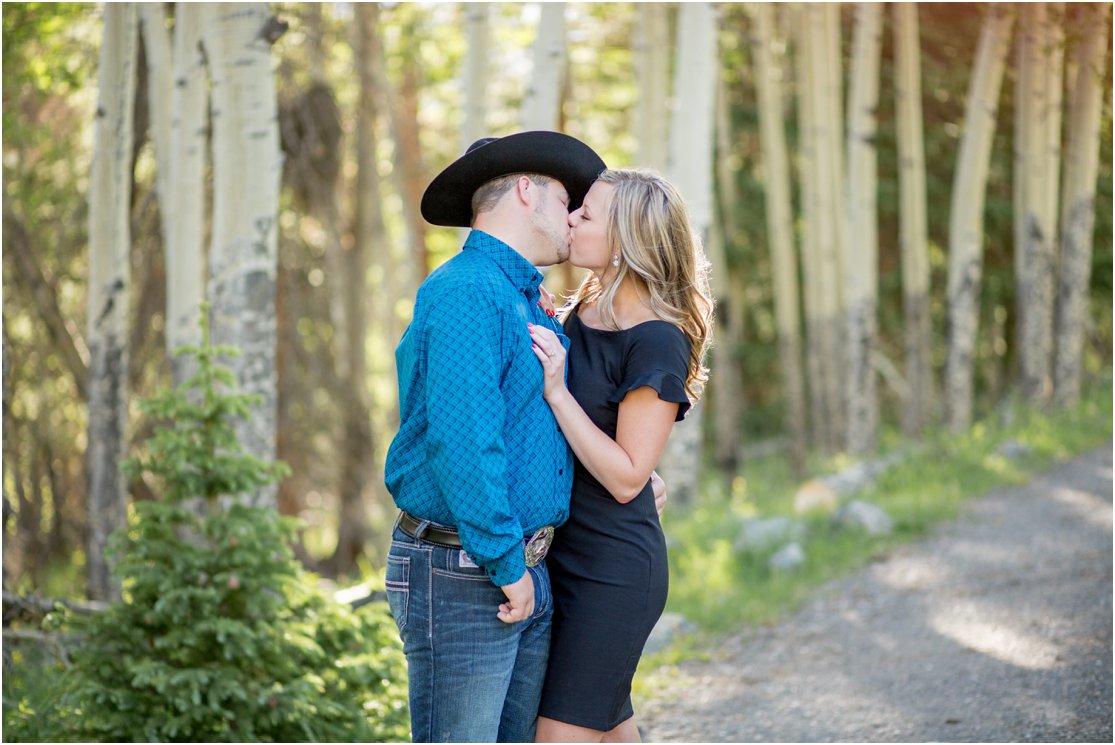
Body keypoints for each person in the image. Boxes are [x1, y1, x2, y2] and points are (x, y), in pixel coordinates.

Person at [382, 130, 607, 743]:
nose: (574, 219)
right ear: (528, 192)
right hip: (466, 569)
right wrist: (508, 565)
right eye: (567, 201)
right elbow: (463, 445)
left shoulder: (524, 298)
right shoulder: (466, 292)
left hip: (516, 562)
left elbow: (535, 429)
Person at [527, 168, 714, 743]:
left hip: (612, 570)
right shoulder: (578, 310)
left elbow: (629, 479)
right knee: (608, 728)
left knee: (559, 736)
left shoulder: (657, 337)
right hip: (563, 557)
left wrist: (557, 392)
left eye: (587, 215)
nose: (571, 219)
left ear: (628, 239)